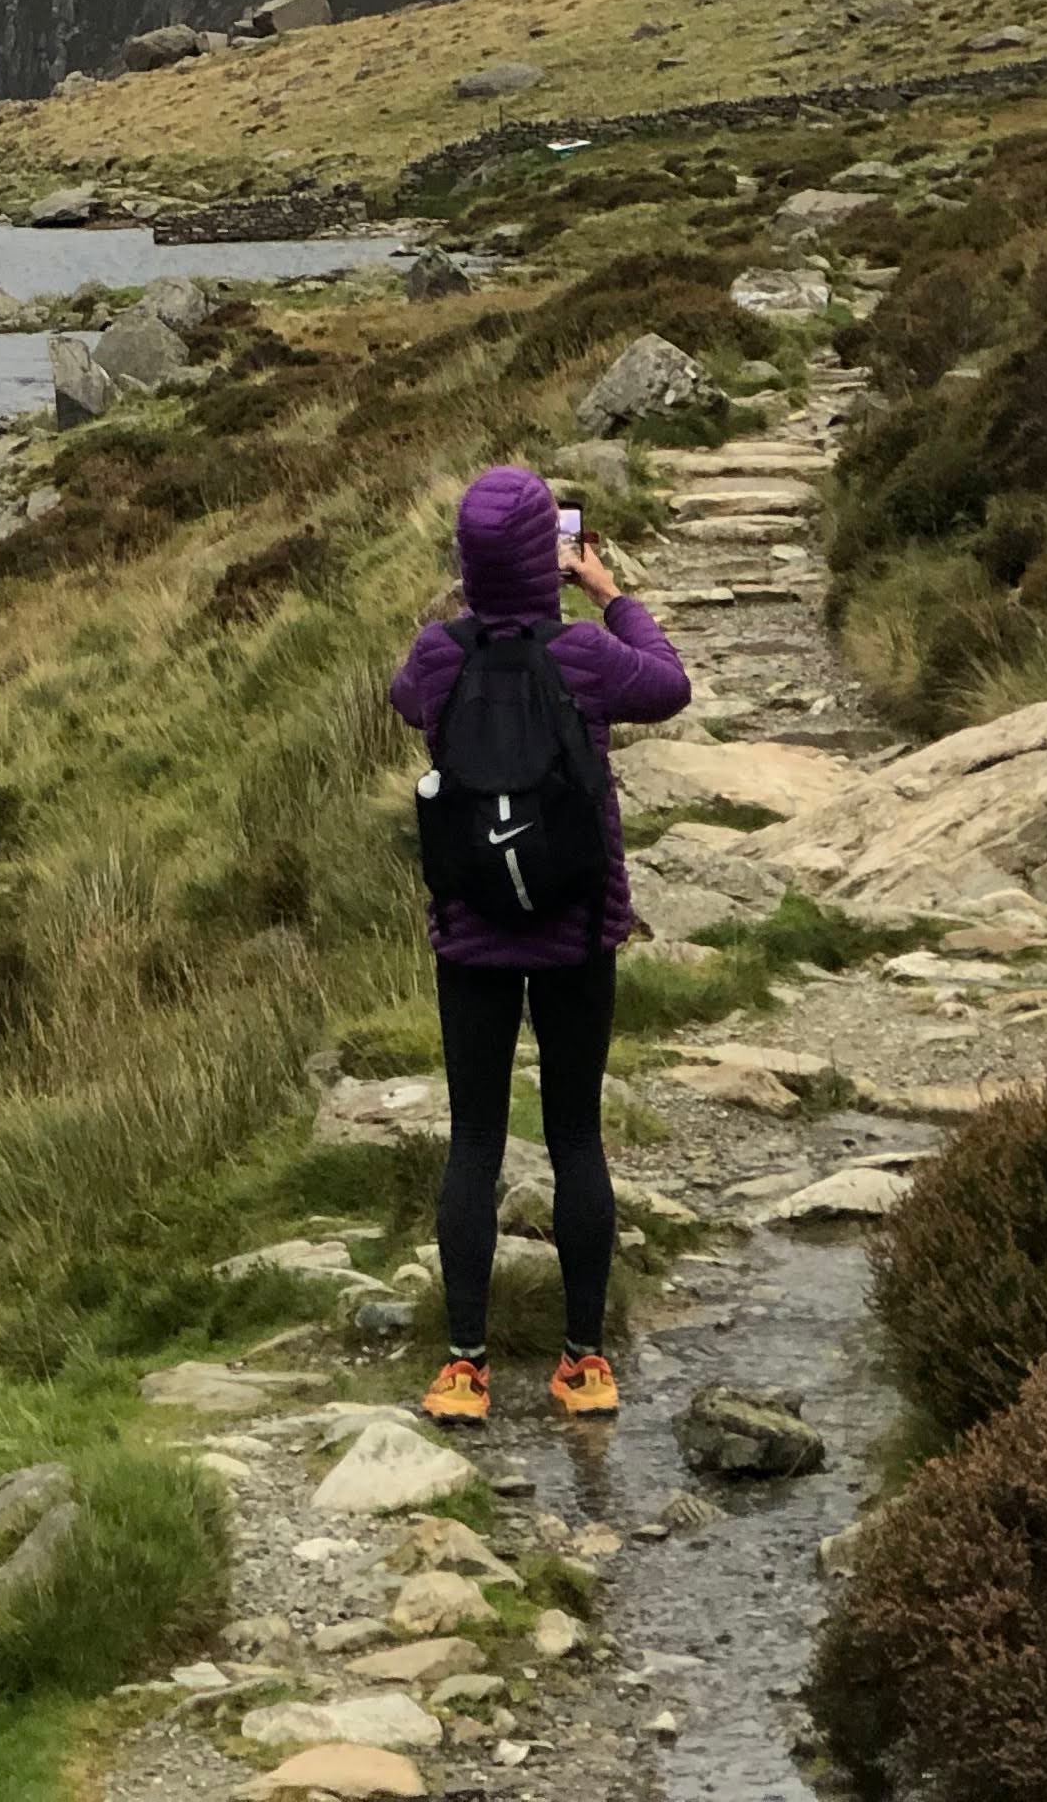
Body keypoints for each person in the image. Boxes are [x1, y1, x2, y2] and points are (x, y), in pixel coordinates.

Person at [388, 462, 691, 1426]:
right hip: (576, 928)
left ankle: (465, 1369)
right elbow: (670, 685)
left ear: (468, 561)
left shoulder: (438, 657)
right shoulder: (586, 656)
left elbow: (405, 699)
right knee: (575, 1137)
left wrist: (470, 607)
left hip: (472, 934)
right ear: (548, 558)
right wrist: (610, 595)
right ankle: (584, 1363)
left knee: (475, 1140)